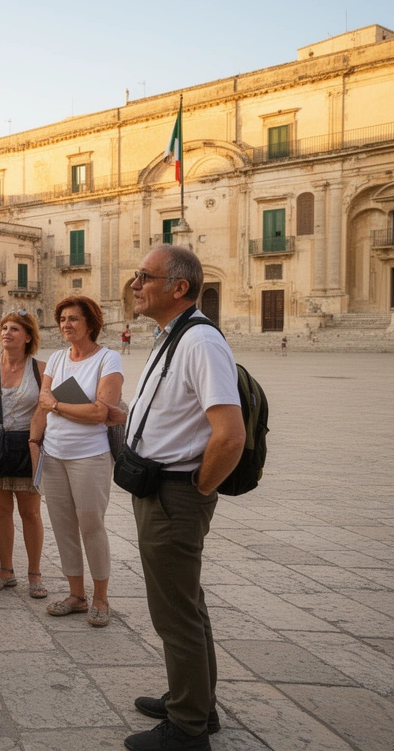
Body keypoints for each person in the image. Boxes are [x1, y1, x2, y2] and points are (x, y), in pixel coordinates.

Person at [122, 246, 245, 751]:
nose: (135, 283)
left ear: (178, 287)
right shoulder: (171, 336)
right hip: (159, 487)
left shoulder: (199, 341)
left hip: (175, 493)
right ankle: (196, 700)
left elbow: (229, 434)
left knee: (173, 611)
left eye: (144, 276)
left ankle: (188, 727)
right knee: (186, 603)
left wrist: (197, 488)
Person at [34, 296, 124, 627]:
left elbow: (101, 412)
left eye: (74, 318)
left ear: (91, 323)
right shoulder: (56, 359)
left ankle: (100, 597)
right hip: (54, 454)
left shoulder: (108, 359)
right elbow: (42, 401)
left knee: (91, 525)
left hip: (90, 456)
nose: (66, 324)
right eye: (62, 319)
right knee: (63, 526)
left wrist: (57, 405)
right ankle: (76, 595)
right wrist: (36, 441)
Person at [0, 312, 47, 598]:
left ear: (28, 336)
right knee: (1, 511)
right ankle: (6, 571)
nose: (6, 332)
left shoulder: (41, 369)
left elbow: (47, 409)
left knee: (30, 512)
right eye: (4, 327)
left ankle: (35, 574)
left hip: (28, 447)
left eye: (14, 328)